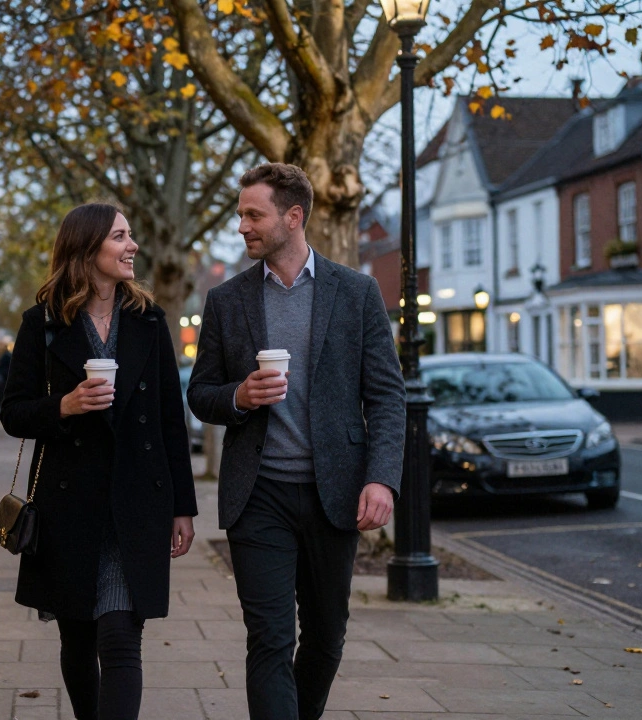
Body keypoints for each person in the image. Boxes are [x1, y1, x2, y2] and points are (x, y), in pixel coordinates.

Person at [187, 163, 406, 720]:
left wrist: (381, 478)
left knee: (327, 637)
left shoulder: (355, 293)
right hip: (257, 494)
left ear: (293, 216)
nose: (242, 226)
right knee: (269, 639)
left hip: (335, 495)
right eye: (240, 214)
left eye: (253, 214)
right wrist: (240, 396)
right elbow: (201, 394)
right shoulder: (226, 301)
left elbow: (386, 396)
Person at [0, 203, 198, 720]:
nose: (132, 246)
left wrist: (183, 506)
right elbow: (14, 413)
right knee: (78, 638)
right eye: (120, 236)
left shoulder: (149, 322)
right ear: (87, 249)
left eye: (131, 235)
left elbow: (169, 420)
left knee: (120, 637)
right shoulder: (42, 325)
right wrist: (63, 406)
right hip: (70, 508)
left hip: (137, 502)